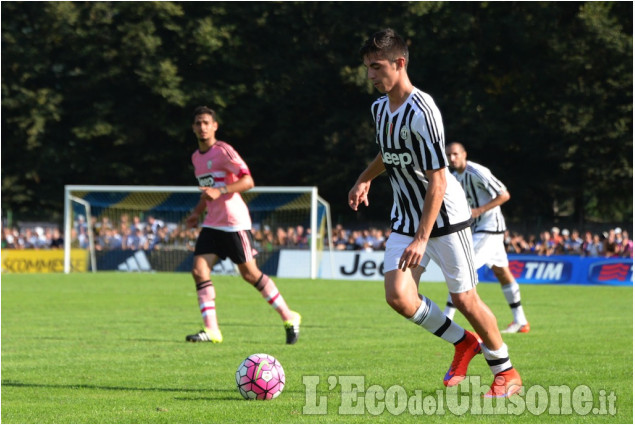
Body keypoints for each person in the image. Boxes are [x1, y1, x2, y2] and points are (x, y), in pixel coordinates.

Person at [348, 29, 521, 398]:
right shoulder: (379, 109)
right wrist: (365, 179)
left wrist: (422, 239)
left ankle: (507, 373)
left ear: (400, 63)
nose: (371, 76)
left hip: (445, 218)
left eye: (376, 67)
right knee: (399, 296)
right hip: (406, 218)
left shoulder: (423, 110)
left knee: (465, 300)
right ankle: (464, 344)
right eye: (367, 68)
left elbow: (438, 180)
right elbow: (389, 154)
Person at [185, 106, 301, 344]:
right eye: (198, 123)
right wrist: (196, 213)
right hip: (212, 223)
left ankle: (289, 316)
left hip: (233, 222)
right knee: (198, 271)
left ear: (215, 125)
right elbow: (208, 192)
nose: (202, 127)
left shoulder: (224, 151)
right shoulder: (196, 158)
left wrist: (222, 190)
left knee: (250, 274)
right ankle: (212, 331)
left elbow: (248, 181)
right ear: (193, 127)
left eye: (207, 122)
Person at [443, 142, 530, 334]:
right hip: (479, 230)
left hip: (489, 229)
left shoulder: (477, 171)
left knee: (463, 267)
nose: (452, 158)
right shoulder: (454, 177)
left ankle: (447, 318)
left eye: (455, 154)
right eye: (448, 155)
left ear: (464, 154)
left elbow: (504, 194)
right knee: (502, 273)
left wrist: (480, 210)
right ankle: (521, 321)